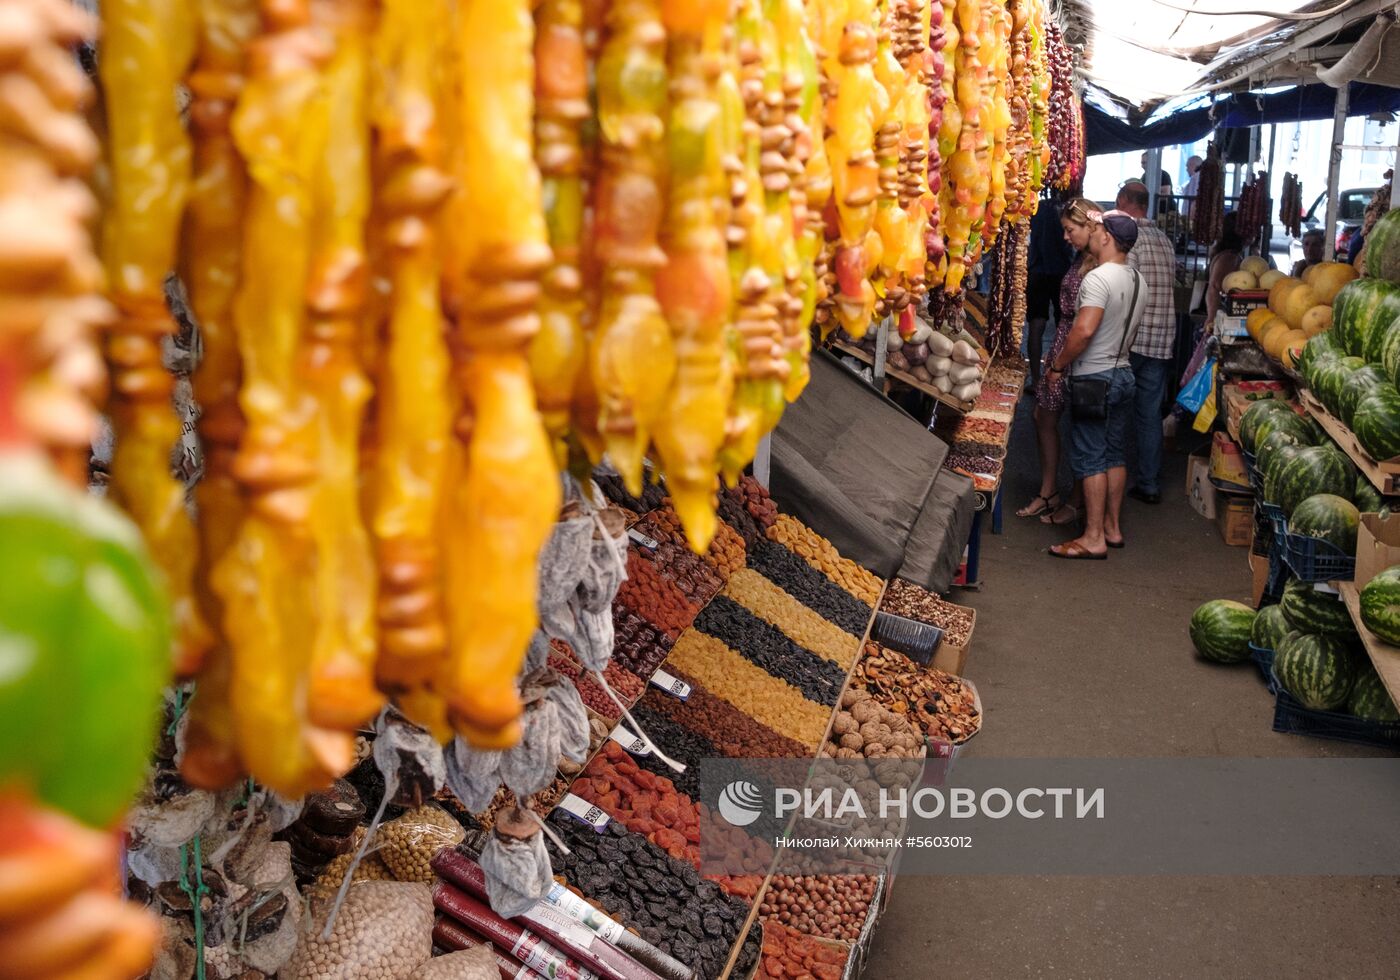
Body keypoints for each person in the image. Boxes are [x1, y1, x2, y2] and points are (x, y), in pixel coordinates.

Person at [1045, 210, 1145, 559]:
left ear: (1107, 237)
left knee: (1090, 457)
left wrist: (1057, 365)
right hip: (1123, 372)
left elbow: (1084, 331)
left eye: (1099, 229)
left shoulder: (1098, 278)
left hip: (1094, 377)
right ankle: (1112, 529)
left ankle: (1092, 537)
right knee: (1114, 454)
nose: (1094, 233)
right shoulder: (1136, 279)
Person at [1016, 198, 1097, 521]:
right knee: (1042, 416)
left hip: (1078, 353)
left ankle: (1075, 502)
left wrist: (1061, 364)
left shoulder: (1099, 265)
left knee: (1082, 429)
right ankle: (1048, 492)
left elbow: (1087, 325)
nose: (1065, 236)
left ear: (1088, 227)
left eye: (1070, 230)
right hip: (1063, 346)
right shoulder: (1078, 258)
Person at [1116, 181, 1177, 504]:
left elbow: (1126, 289)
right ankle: (1149, 483)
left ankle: (1110, 479)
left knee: (1115, 411)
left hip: (1135, 338)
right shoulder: (1164, 240)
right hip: (1162, 338)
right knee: (1149, 414)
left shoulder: (1130, 238)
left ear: (1125, 201)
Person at [1024, 193, 1074, 390]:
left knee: (1036, 325)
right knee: (1064, 325)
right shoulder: (1063, 210)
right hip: (1060, 271)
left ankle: (1035, 379)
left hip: (1037, 271)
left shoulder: (1037, 208)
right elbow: (1066, 247)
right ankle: (1059, 377)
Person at [1203, 212, 1244, 326]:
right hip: (1220, 319)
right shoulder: (1229, 257)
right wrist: (1211, 317)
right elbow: (1215, 286)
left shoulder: (1229, 254)